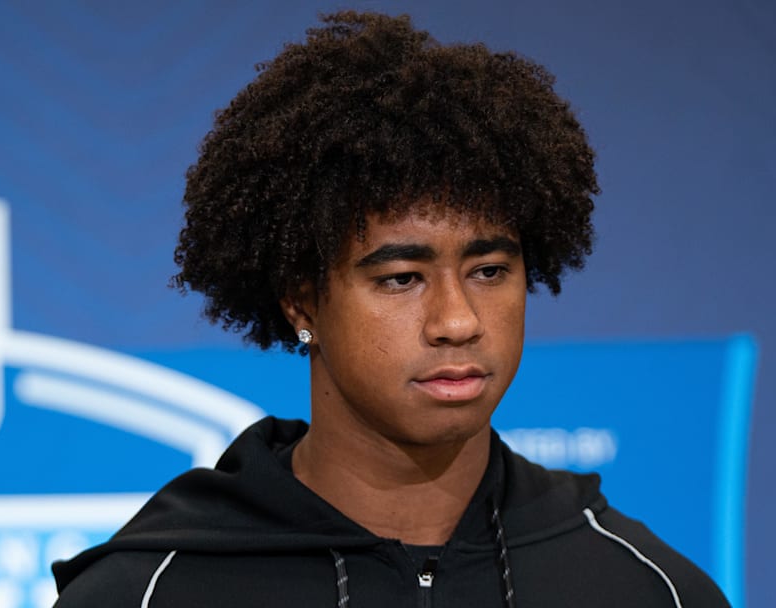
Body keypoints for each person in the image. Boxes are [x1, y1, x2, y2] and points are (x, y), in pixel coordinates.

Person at [52, 11, 730, 607]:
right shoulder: (150, 591)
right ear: (300, 298)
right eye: (403, 278)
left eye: (490, 270)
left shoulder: (647, 589)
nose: (458, 321)